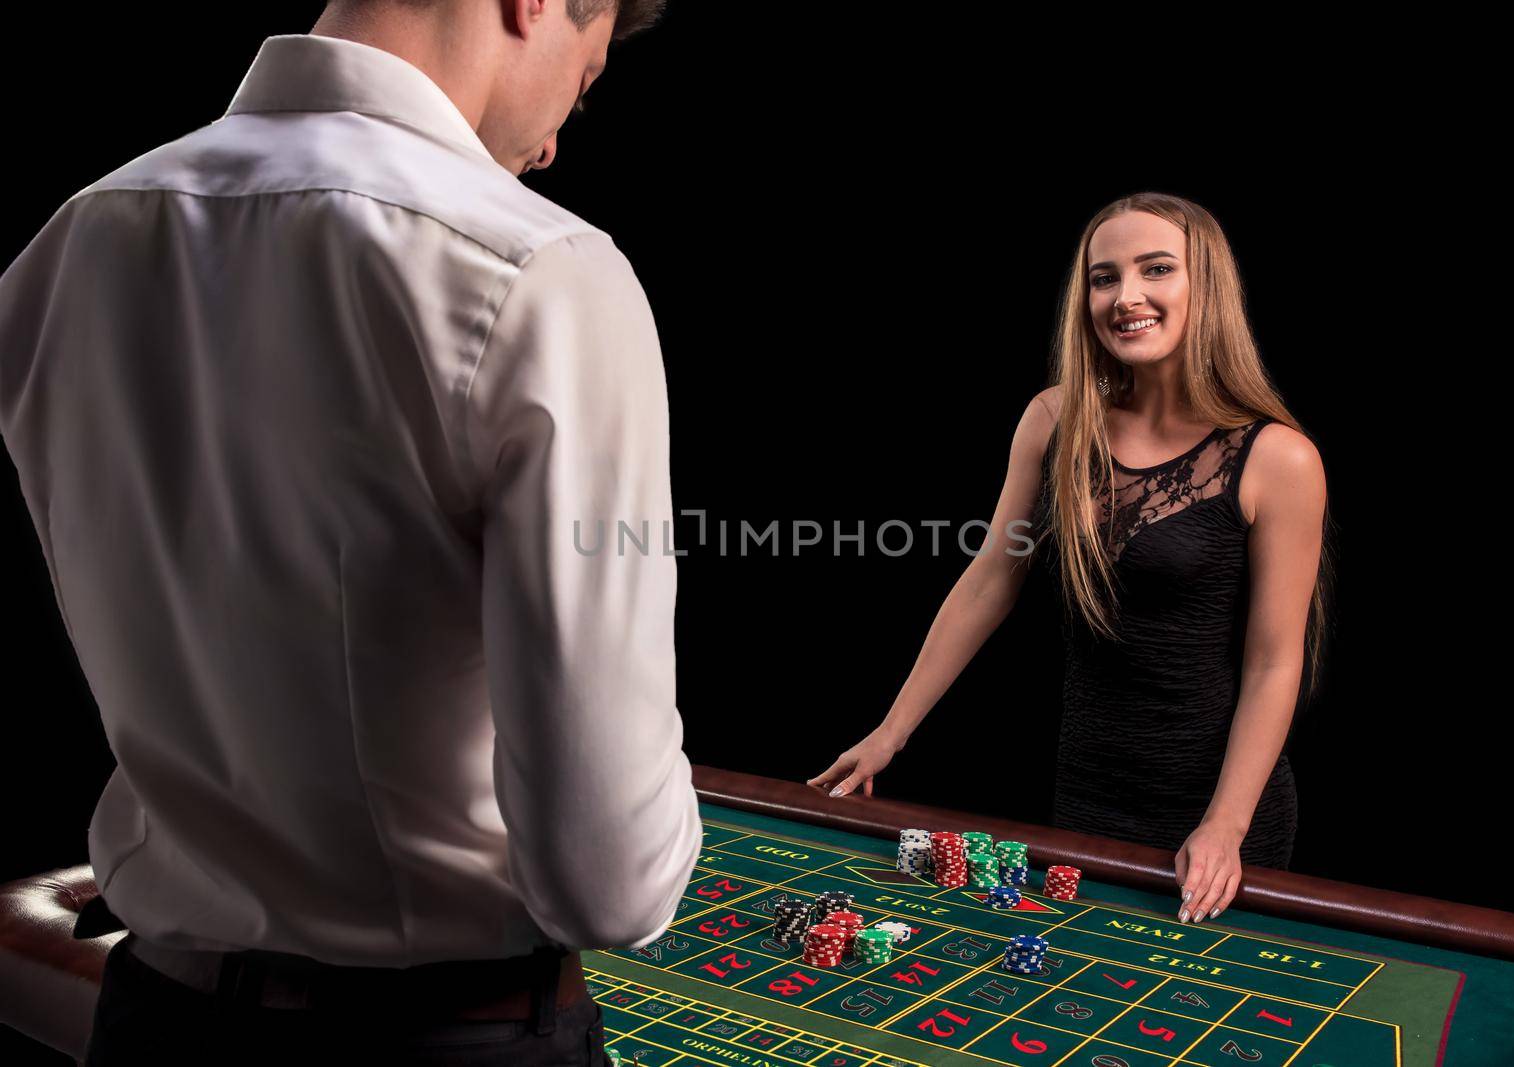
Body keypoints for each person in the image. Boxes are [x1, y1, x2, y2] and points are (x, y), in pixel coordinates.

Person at [0, 1, 701, 1062]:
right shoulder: (540, 271)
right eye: (585, 75)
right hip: (440, 1038)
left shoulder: (65, 244)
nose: (558, 138)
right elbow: (610, 881)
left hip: (154, 1025)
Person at [809, 192, 1330, 929]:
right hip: (1084, 797)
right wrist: (888, 733)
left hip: (1219, 813)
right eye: (1104, 277)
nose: (1127, 297)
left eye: (1157, 269)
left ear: (1205, 286)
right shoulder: (1054, 420)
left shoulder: (1279, 458)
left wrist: (1227, 824)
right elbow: (991, 577)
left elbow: (1276, 663)